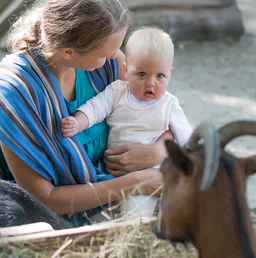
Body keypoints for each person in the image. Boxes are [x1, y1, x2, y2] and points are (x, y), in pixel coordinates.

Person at [0, 0, 168, 227]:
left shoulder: (107, 65)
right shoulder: (15, 93)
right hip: (51, 222)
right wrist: (136, 183)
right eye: (106, 53)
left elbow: (161, 109)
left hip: (115, 194)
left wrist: (158, 151)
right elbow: (43, 199)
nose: (118, 57)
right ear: (68, 52)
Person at [60, 27, 193, 218]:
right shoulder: (117, 92)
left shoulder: (169, 105)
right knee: (103, 213)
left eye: (160, 76)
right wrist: (78, 122)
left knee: (137, 211)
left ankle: (136, 240)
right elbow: (96, 108)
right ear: (126, 68)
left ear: (169, 73)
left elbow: (187, 139)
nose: (151, 83)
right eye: (141, 74)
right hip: (113, 172)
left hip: (152, 175)